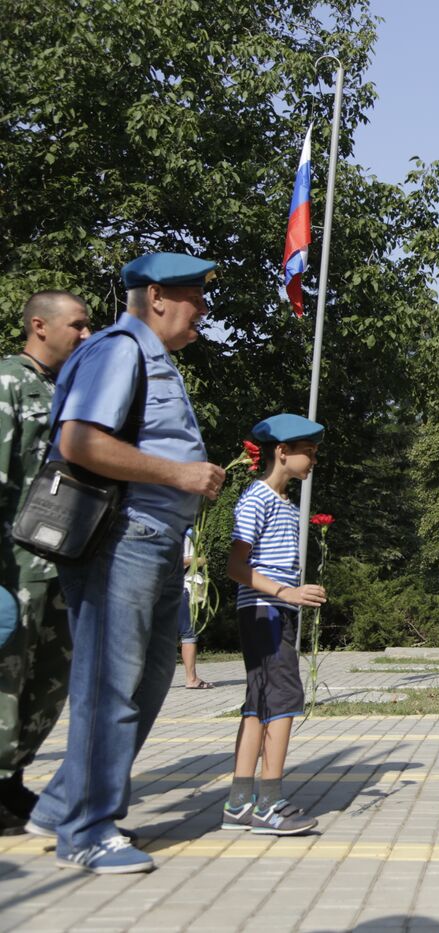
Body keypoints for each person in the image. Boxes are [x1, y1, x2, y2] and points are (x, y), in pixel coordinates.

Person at [27, 253, 226, 874]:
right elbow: (79, 442)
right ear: (159, 297)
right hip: (121, 539)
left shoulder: (152, 356)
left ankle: (64, 803)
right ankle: (87, 831)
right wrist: (181, 472)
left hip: (156, 540)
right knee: (108, 687)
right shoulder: (119, 350)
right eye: (196, 298)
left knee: (146, 683)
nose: (204, 312)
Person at [0, 290, 90, 833]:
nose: (84, 334)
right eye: (77, 325)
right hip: (14, 563)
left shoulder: (69, 388)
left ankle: (11, 781)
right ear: (40, 324)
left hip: (62, 561)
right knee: (6, 674)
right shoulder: (8, 382)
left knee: (49, 679)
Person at [221, 413, 325, 836]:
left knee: (258, 705)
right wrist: (287, 593)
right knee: (282, 701)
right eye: (309, 452)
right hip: (264, 611)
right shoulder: (257, 499)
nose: (314, 460)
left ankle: (239, 804)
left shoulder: (285, 504)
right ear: (282, 452)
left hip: (272, 611)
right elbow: (234, 566)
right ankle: (269, 805)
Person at [178, 529, 212, 689]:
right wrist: (201, 560)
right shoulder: (183, 531)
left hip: (170, 586)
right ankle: (191, 679)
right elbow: (180, 560)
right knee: (188, 632)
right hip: (181, 587)